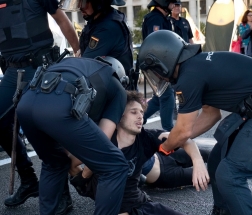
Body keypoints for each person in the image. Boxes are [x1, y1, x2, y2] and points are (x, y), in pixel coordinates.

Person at [138, 30, 252, 215]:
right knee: (217, 159)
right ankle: (222, 211)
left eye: (154, 71)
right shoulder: (196, 66)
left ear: (162, 62)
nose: (157, 77)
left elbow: (184, 130)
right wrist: (176, 139)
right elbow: (211, 114)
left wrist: (166, 146)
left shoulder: (189, 76)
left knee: (230, 175)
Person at [16, 57, 129, 215]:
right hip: (60, 104)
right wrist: (76, 164)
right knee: (114, 166)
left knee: (53, 163)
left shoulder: (78, 64)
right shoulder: (117, 88)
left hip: (26, 103)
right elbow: (103, 138)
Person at [68, 90, 209, 215]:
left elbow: (183, 139)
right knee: (209, 175)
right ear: (120, 116)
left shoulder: (147, 137)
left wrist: (198, 162)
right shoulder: (104, 140)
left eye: (141, 112)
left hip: (161, 159)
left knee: (211, 156)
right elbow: (72, 163)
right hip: (143, 199)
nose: (140, 116)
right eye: (134, 112)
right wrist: (85, 174)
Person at [0, 0, 79, 212]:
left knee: (48, 127)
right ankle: (28, 180)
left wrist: (79, 52)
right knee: (1, 123)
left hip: (41, 67)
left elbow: (62, 20)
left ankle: (63, 194)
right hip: (11, 71)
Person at [65, 0, 136, 90]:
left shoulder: (108, 27)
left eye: (83, 3)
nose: (80, 7)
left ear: (98, 3)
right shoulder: (100, 20)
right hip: (108, 87)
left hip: (118, 94)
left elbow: (84, 65)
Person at [142, 0, 177, 131]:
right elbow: (155, 44)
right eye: (172, 2)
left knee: (159, 97)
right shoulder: (155, 19)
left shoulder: (162, 18)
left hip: (162, 63)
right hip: (158, 64)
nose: (174, 5)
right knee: (167, 94)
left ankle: (139, 118)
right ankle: (168, 131)